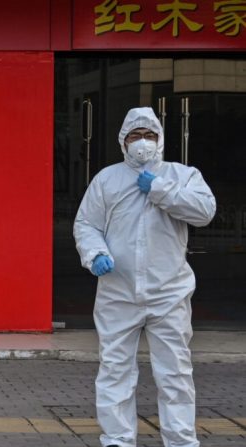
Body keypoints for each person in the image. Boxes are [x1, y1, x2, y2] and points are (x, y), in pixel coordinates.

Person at [74, 107, 216, 447]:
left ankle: (181, 440)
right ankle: (118, 439)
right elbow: (86, 224)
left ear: (161, 140)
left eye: (149, 135)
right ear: (123, 142)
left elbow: (204, 212)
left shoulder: (182, 175)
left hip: (169, 292)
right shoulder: (107, 179)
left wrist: (162, 190)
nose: (142, 142)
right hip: (117, 291)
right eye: (134, 136)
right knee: (115, 369)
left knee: (175, 372)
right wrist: (95, 254)